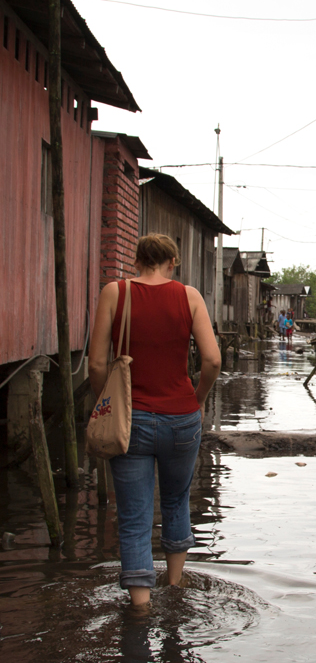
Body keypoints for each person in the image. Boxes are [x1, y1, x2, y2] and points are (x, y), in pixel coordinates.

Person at [87, 234, 222, 608]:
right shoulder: (189, 296)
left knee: (134, 517)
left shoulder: (115, 292)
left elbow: (96, 364)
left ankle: (140, 606)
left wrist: (108, 404)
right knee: (177, 501)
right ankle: (175, 587)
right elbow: (212, 361)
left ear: (137, 260)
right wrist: (198, 400)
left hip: (131, 421)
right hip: (181, 419)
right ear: (172, 262)